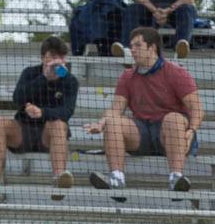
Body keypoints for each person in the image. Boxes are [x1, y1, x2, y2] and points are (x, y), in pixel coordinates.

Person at [86, 27, 203, 193]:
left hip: (172, 134)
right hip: (143, 133)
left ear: (152, 48)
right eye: (131, 46)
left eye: (138, 45)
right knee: (114, 122)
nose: (132, 50)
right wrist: (102, 123)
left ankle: (176, 178)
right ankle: (116, 179)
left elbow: (197, 109)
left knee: (173, 119)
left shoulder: (177, 73)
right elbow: (115, 109)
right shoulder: (127, 76)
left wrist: (192, 130)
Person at [0, 36, 79, 201]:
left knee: (58, 124)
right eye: (52, 56)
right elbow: (18, 98)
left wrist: (43, 112)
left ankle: (58, 180)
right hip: (23, 131)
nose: (57, 61)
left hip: (49, 136)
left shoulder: (70, 80)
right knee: (0, 123)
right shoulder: (30, 73)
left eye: (61, 57)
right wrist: (44, 78)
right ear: (43, 58)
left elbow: (67, 111)